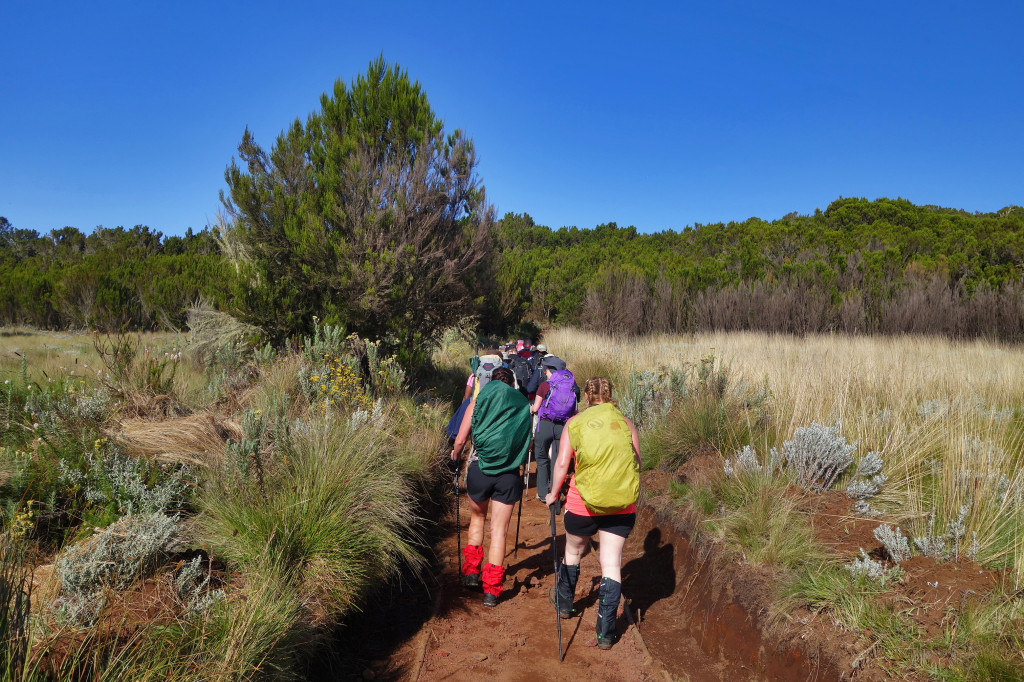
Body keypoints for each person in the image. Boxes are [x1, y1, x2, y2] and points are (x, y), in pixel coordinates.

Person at [545, 377, 641, 650]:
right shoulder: (626, 423)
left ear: (586, 398)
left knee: (573, 552)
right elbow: (637, 463)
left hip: (582, 506)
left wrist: (553, 494)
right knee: (611, 564)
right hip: (621, 507)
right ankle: (606, 634)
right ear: (611, 396)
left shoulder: (574, 423)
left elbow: (562, 462)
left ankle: (565, 604)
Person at [451, 367, 532, 606]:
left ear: (491, 380)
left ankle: (471, 574)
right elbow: (526, 444)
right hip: (508, 475)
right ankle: (492, 591)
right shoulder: (521, 405)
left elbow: (459, 439)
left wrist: (455, 455)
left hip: (479, 470)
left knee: (477, 520)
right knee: (499, 532)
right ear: (512, 383)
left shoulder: (478, 400)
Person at [531, 355, 580, 504]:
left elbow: (536, 409)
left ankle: (541, 492)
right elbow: (575, 410)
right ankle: (555, 491)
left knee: (541, 458)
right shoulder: (572, 385)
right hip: (563, 427)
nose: (545, 372)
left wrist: (531, 408)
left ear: (550, 370)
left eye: (546, 369)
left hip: (545, 425)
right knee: (558, 459)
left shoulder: (545, 386)